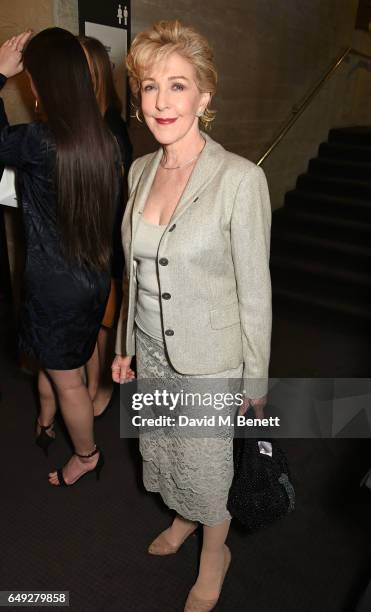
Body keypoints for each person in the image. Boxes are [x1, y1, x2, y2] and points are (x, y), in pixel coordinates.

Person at [112, 20, 271, 611]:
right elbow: (133, 270)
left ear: (205, 97)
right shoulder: (139, 171)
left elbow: (256, 291)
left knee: (206, 466)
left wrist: (254, 382)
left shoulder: (239, 180)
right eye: (149, 87)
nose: (160, 102)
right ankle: (183, 518)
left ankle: (213, 553)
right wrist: (125, 343)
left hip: (208, 357)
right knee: (164, 448)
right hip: (151, 348)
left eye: (177, 86)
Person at [0, 28, 120, 486]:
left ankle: (87, 455)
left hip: (55, 285)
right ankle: (45, 421)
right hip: (90, 278)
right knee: (59, 361)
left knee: (66, 377)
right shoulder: (102, 141)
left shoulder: (38, 140)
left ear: (42, 84)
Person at [79, 35, 132, 417]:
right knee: (88, 321)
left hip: (105, 243)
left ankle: (99, 390)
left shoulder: (111, 128)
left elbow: (114, 202)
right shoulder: (80, 122)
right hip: (83, 242)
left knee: (101, 324)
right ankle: (87, 386)